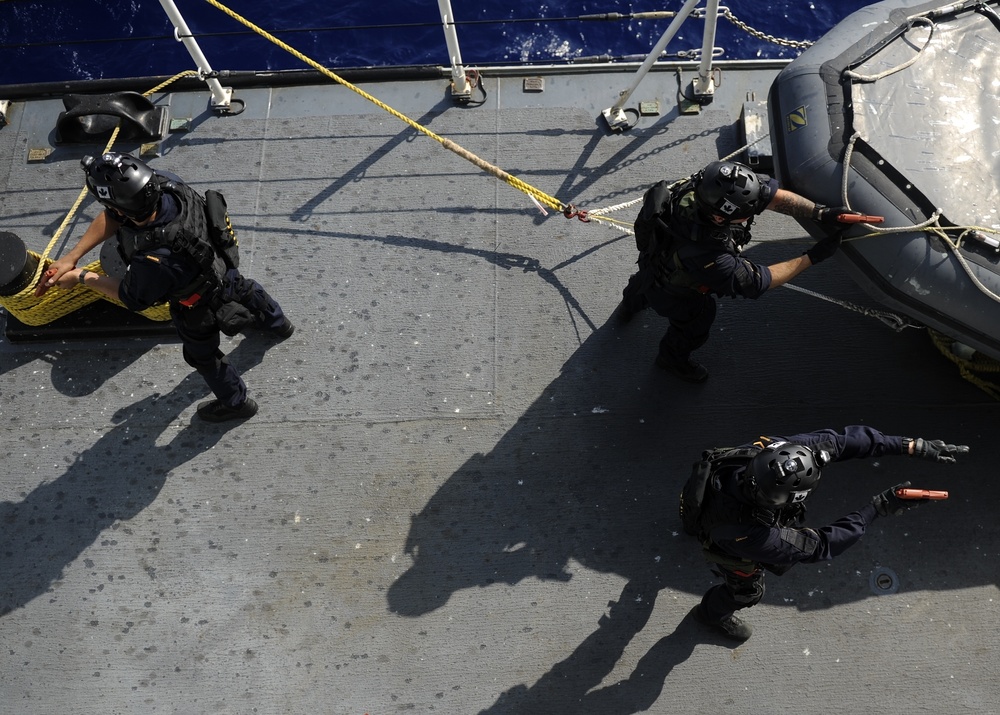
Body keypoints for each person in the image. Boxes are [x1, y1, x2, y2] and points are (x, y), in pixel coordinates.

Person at [35, 152, 294, 422]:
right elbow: (113, 215)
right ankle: (279, 325)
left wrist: (80, 276)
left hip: (196, 305)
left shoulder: (154, 259)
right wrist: (70, 257)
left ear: (122, 209)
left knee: (203, 357)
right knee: (249, 290)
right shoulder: (168, 184)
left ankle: (236, 403)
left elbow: (131, 297)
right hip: (223, 268)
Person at [681, 425, 969, 642]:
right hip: (727, 540)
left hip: (704, 489)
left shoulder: (769, 453)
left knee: (697, 510)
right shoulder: (751, 533)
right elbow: (817, 546)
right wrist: (878, 508)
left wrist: (909, 445)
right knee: (746, 591)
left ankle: (690, 522)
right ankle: (709, 614)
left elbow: (840, 442)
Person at [617, 160, 861, 382]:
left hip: (654, 258)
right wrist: (812, 257)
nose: (746, 219)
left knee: (640, 287)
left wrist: (820, 212)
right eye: (743, 217)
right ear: (718, 218)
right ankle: (671, 359)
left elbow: (770, 195)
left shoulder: (706, 186)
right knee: (694, 324)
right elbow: (757, 281)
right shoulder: (709, 255)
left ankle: (628, 306)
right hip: (675, 291)